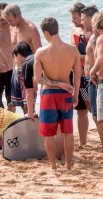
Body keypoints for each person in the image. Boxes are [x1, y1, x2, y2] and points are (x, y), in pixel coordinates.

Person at [34, 17, 80, 170]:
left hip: (48, 96)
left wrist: (55, 83)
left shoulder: (41, 52)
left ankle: (53, 166)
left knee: (49, 134)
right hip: (66, 94)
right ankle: (68, 166)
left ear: (46, 33)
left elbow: (38, 79)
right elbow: (78, 76)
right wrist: (75, 94)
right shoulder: (73, 50)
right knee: (68, 132)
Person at [13, 42, 74, 119]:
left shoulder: (27, 63)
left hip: (54, 93)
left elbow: (29, 92)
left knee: (50, 124)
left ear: (19, 55)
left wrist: (30, 113)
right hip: (68, 85)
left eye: (15, 57)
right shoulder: (42, 56)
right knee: (63, 125)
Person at [69, 2, 90, 147]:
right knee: (81, 110)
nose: (74, 21)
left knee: (94, 109)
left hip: (92, 75)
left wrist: (78, 57)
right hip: (79, 75)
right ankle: (83, 143)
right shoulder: (74, 31)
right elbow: (73, 52)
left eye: (75, 18)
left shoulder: (94, 32)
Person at [82, 6, 101, 147]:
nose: (82, 22)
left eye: (84, 19)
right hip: (90, 80)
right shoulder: (92, 37)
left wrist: (94, 72)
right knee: (95, 115)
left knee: (97, 116)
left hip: (95, 80)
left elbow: (100, 59)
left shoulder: (98, 38)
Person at [89, 12, 103, 151]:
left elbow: (100, 60)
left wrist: (92, 72)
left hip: (102, 83)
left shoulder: (101, 39)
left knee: (100, 119)